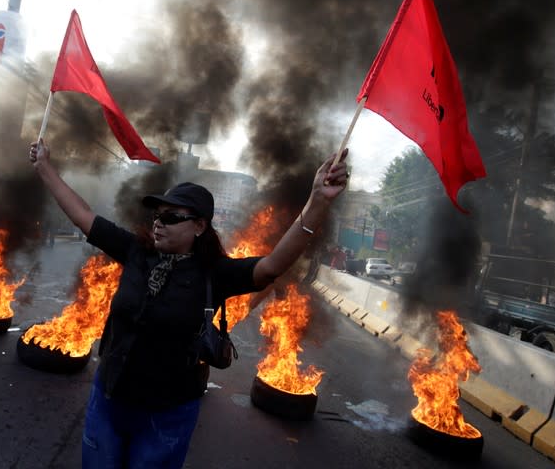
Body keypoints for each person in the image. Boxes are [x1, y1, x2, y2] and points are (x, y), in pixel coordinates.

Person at [29, 138, 348, 469]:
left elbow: (271, 267)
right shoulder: (137, 252)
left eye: (171, 217)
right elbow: (83, 216)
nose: (158, 222)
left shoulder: (214, 273)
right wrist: (45, 168)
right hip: (109, 398)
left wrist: (316, 203)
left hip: (166, 413)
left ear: (199, 226)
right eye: (157, 215)